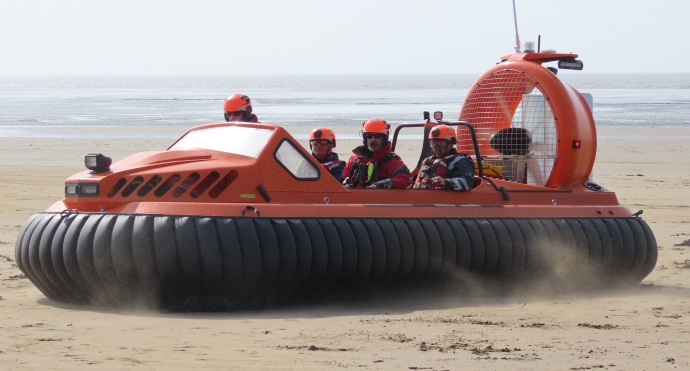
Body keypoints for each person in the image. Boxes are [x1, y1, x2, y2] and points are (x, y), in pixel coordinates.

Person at [343, 118, 410, 188]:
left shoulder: (391, 161)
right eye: (369, 136)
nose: (373, 140)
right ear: (365, 138)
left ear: (384, 138)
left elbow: (405, 179)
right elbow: (338, 182)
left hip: (380, 198)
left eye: (377, 136)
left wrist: (387, 183)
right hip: (353, 197)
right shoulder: (354, 160)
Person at [411, 125, 474, 191]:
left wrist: (446, 182)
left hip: (447, 199)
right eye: (433, 143)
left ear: (451, 143)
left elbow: (467, 183)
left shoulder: (461, 161)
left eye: (441, 143)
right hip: (422, 197)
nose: (437, 147)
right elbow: (416, 180)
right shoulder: (428, 161)